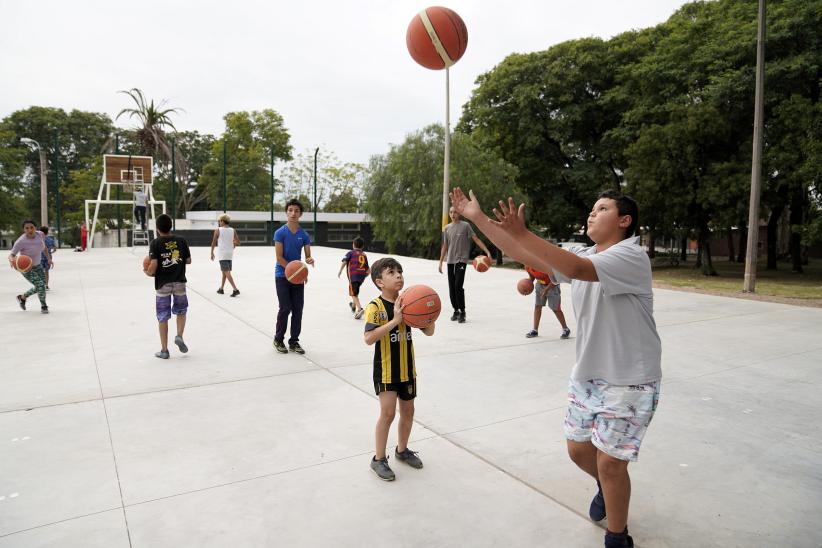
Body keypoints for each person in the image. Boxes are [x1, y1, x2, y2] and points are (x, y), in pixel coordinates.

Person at [451, 187, 661, 548]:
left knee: (612, 464)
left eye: (603, 208)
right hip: (589, 374)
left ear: (624, 221)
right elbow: (523, 251)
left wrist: (522, 231)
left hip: (630, 380)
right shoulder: (582, 252)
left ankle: (617, 535)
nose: (592, 214)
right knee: (579, 451)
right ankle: (606, 489)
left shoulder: (631, 256)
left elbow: (577, 269)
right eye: (592, 208)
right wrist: (478, 218)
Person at [364, 257, 435, 481]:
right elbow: (369, 338)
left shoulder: (410, 302)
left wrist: (429, 314)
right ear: (379, 282)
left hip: (407, 369)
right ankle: (378, 459)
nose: (398, 275)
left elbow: (429, 332)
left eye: (400, 271)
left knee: (408, 411)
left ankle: (402, 450)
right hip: (386, 369)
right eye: (391, 272)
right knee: (387, 413)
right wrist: (396, 320)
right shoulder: (375, 307)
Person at [143, 214, 192, 360]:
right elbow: (188, 260)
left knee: (163, 316)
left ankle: (164, 351)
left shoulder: (156, 243)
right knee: (181, 311)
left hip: (163, 284)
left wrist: (147, 272)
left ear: (157, 229)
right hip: (179, 282)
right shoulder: (181, 241)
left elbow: (153, 266)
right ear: (171, 226)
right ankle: (179, 335)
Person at [273, 198, 315, 355]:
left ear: (301, 214)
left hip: (297, 278)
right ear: (286, 212)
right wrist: (292, 270)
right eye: (290, 210)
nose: (293, 213)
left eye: (296, 211)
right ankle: (278, 339)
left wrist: (309, 261)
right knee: (285, 308)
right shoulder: (280, 233)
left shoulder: (304, 235)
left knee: (298, 309)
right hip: (282, 276)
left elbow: (308, 256)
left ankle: (294, 341)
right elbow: (279, 258)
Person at [438, 206, 492, 323]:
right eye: (451, 212)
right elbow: (445, 246)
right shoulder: (446, 228)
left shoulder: (465, 226)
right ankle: (456, 310)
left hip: (461, 260)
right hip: (450, 261)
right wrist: (441, 261)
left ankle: (462, 311)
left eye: (455, 212)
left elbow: (476, 239)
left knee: (458, 285)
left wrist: (487, 251)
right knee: (451, 287)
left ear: (459, 214)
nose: (453, 214)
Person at [8, 220, 52, 314]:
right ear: (23, 230)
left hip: (38, 265)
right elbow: (11, 254)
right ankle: (44, 306)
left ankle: (22, 297)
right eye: (27, 228)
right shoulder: (21, 241)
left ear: (35, 228)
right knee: (40, 285)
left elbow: (43, 247)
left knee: (42, 285)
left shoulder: (40, 235)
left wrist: (49, 259)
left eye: (32, 227)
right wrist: (12, 261)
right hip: (26, 268)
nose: (30, 230)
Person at [523, 265, 570, 339]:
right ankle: (535, 330)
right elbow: (532, 277)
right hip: (540, 285)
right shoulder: (527, 265)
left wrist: (546, 290)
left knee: (556, 309)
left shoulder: (544, 265)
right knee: (537, 306)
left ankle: (566, 329)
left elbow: (556, 279)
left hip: (552, 286)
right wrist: (526, 286)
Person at [337, 236, 370, 319]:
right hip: (362, 276)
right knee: (355, 290)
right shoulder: (364, 254)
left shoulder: (350, 253)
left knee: (353, 293)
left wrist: (340, 270)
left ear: (353, 245)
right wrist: (365, 275)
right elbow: (368, 269)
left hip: (354, 275)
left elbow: (344, 261)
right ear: (362, 246)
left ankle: (360, 309)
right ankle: (353, 306)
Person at [210, 213, 241, 296]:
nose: (219, 222)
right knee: (224, 272)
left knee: (226, 272)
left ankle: (235, 289)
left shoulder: (218, 230)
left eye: (220, 221)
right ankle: (221, 289)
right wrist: (234, 243)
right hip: (230, 254)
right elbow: (238, 242)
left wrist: (211, 252)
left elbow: (213, 242)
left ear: (223, 221)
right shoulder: (232, 230)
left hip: (222, 254)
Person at [39, 226, 57, 290]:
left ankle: (41, 285)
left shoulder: (39, 240)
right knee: (46, 271)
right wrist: (50, 252)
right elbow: (55, 249)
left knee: (40, 271)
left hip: (40, 257)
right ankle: (46, 285)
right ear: (47, 232)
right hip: (48, 257)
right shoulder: (50, 240)